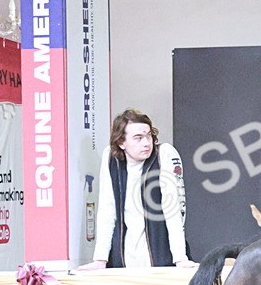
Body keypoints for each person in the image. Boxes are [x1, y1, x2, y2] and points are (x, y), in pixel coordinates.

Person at [76, 109, 196, 270]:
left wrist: (180, 259)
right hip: (123, 257)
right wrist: (100, 259)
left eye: (148, 136)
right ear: (121, 142)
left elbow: (173, 211)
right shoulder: (111, 158)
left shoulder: (164, 154)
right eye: (138, 138)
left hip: (161, 255)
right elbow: (107, 210)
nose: (146, 143)